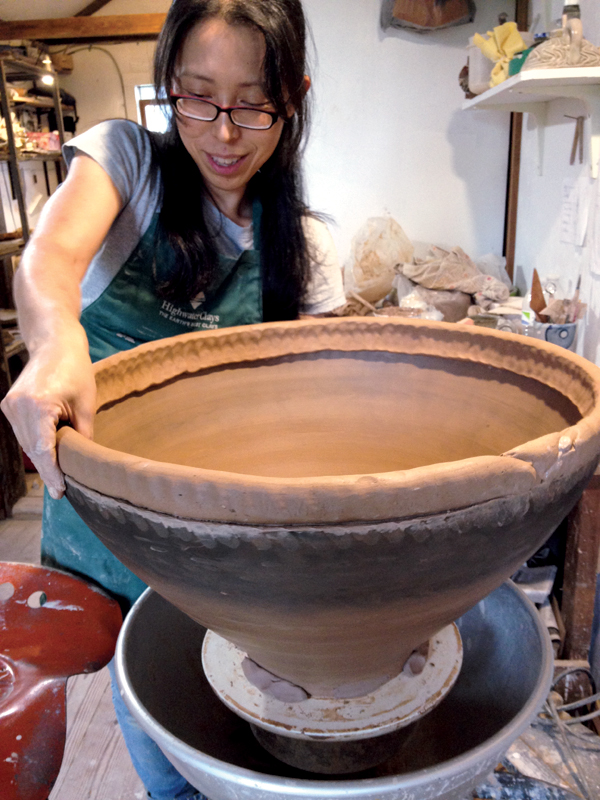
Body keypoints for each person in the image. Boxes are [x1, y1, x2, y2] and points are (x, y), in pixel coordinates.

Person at [1, 1, 345, 797]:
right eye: (197, 97)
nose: (223, 133)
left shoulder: (308, 247)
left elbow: (326, 413)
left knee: (254, 761)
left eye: (253, 103)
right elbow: (48, 258)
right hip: (112, 552)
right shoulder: (127, 166)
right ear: (169, 89)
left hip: (230, 568)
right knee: (173, 771)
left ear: (291, 96)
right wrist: (56, 346)